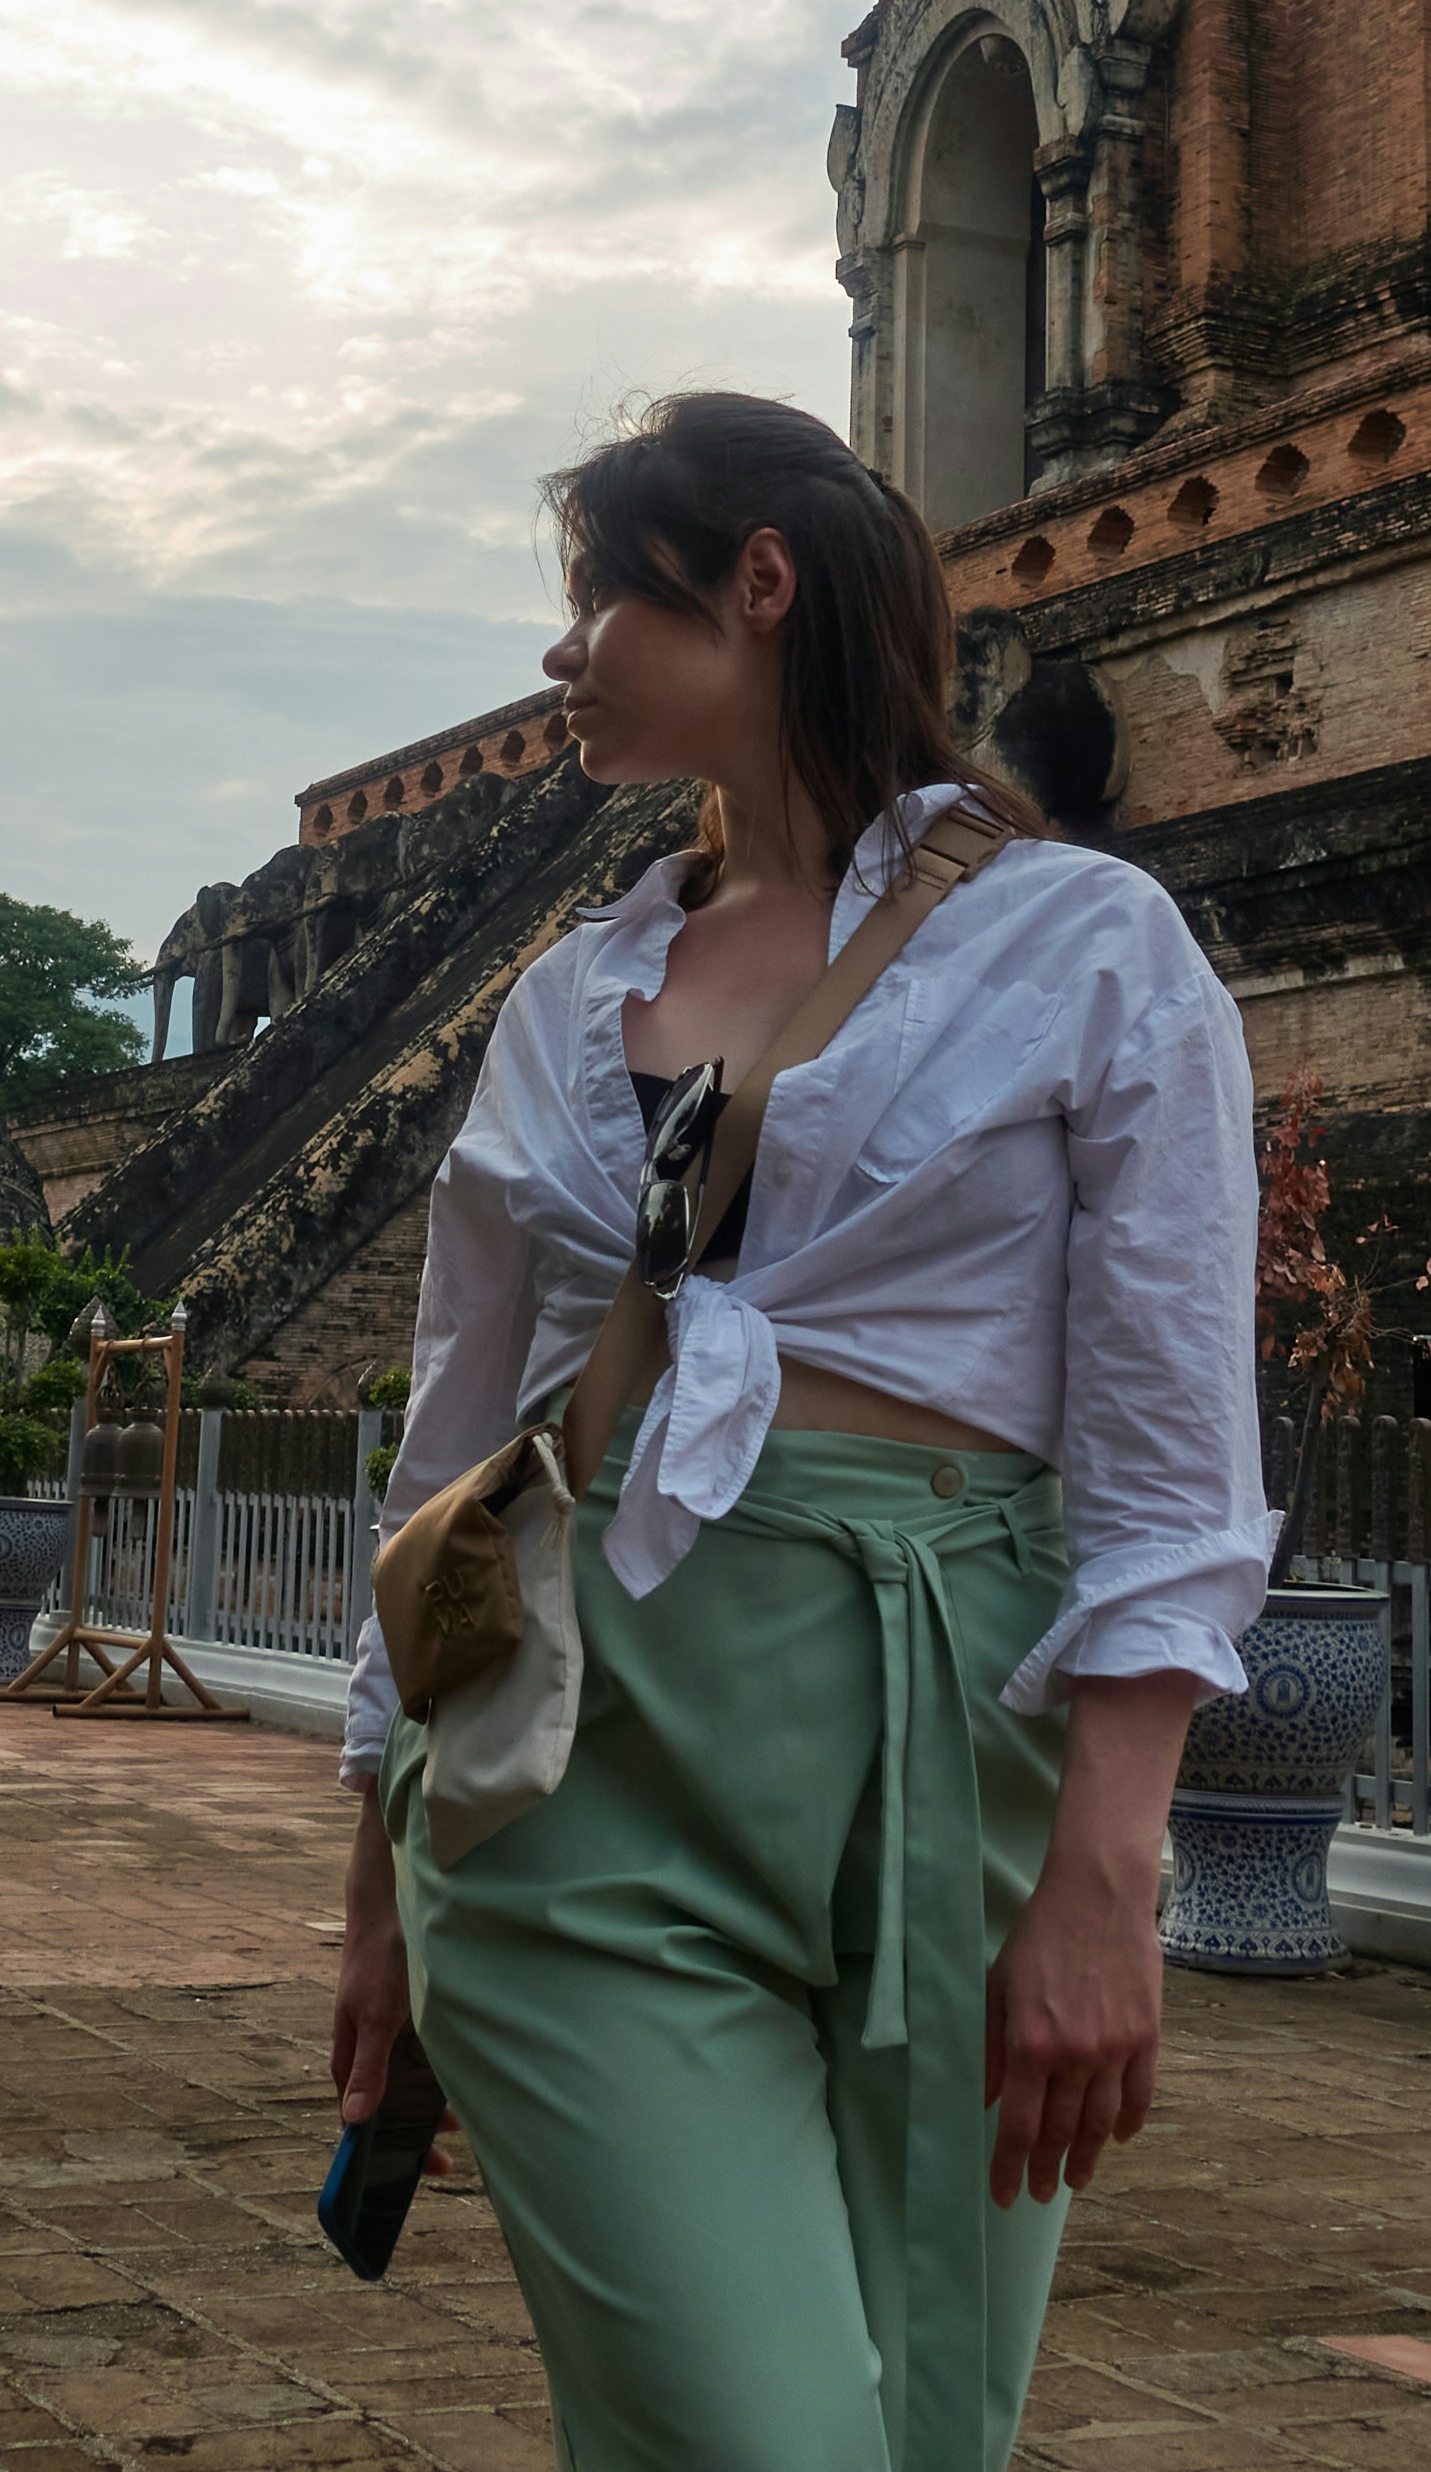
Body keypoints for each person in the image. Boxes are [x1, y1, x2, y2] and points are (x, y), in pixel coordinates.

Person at [329, 391, 1264, 2472]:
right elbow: (453, 1447)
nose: (560, 659)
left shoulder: (1085, 944)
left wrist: (1114, 1861)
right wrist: (378, 1874)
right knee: (762, 2441)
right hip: (581, 1766)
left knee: (933, 2426)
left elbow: (1171, 1442)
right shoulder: (567, 1005)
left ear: (756, 583)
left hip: (962, 1731)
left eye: (595, 601)